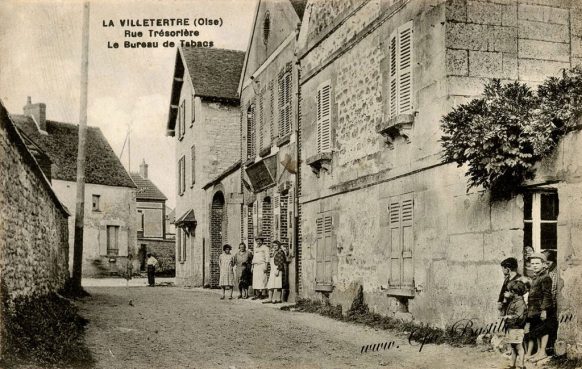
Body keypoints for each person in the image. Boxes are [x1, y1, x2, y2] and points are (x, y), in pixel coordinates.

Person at [525, 252, 554, 363]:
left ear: (544, 264)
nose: (535, 265)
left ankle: (543, 351)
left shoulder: (545, 277)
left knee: (544, 329)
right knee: (537, 330)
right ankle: (538, 352)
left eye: (537, 263)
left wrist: (544, 310)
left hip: (542, 309)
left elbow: (547, 295)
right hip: (534, 309)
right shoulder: (536, 277)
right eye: (533, 263)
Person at [502, 280, 528, 369]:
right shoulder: (514, 301)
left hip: (517, 328)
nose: (508, 292)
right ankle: (512, 365)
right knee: (513, 347)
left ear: (514, 292)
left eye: (509, 291)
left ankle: (521, 365)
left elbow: (519, 316)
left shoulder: (520, 303)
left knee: (519, 347)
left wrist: (509, 317)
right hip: (512, 327)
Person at [542, 249, 559, 355]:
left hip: (552, 305)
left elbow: (552, 292)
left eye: (547, 263)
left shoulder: (555, 273)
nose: (546, 265)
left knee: (551, 326)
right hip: (547, 303)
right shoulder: (548, 271)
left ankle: (551, 348)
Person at [264, 240, 286, 304]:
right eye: (273, 246)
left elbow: (281, 262)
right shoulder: (274, 252)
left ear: (279, 245)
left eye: (276, 245)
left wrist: (278, 270)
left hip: (277, 268)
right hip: (273, 269)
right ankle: (270, 298)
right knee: (271, 284)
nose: (275, 247)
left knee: (278, 284)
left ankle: (277, 299)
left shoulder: (280, 252)